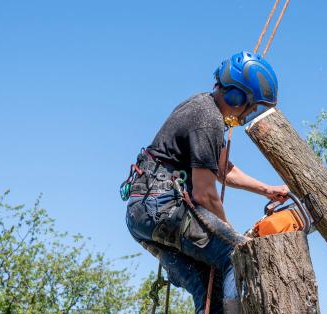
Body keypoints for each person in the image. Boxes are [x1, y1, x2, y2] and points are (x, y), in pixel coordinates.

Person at [123, 51, 289, 314]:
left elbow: (222, 168)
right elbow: (205, 194)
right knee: (237, 254)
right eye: (252, 105)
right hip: (163, 206)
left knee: (208, 281)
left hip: (141, 213)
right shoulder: (207, 117)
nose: (249, 114)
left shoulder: (202, 108)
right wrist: (229, 232)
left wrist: (266, 190)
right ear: (237, 96)